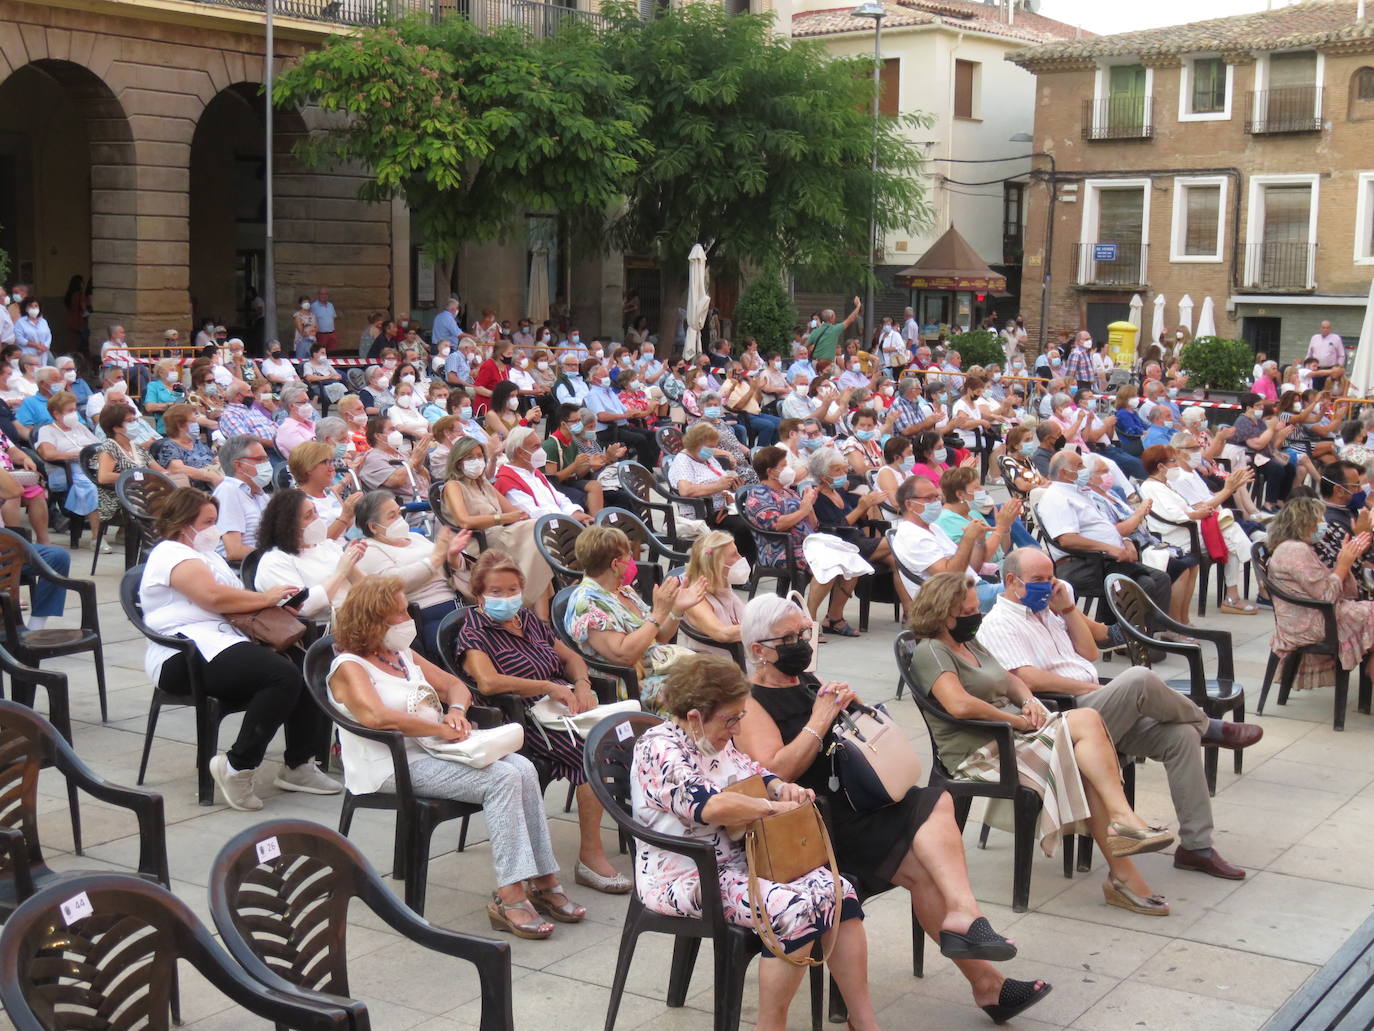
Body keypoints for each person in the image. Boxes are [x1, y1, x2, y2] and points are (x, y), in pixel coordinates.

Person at [734, 595, 1053, 1021]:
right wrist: (819, 719)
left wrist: (852, 704)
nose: (800, 644)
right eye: (788, 638)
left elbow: (851, 733)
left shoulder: (805, 681)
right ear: (759, 649)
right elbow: (777, 774)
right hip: (818, 823)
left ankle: (973, 939)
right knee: (929, 823)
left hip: (859, 805)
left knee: (932, 817)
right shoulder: (752, 702)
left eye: (803, 634)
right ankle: (978, 957)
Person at [629, 653, 887, 1031]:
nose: (735, 730)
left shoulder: (713, 740)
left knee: (839, 890)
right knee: (794, 909)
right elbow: (711, 806)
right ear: (696, 714)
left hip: (737, 863)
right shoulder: (660, 749)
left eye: (738, 718)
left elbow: (754, 770)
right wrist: (770, 808)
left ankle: (863, 1022)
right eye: (730, 719)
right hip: (683, 874)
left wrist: (783, 788)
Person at [980, 548, 1262, 888]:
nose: (1048, 585)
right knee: (1139, 678)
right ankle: (1209, 725)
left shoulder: (1048, 611)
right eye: (1038, 580)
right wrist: (1086, 685)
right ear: (1013, 582)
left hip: (1094, 705)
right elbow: (1030, 679)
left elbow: (1089, 653)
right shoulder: (1000, 622)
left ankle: (1197, 846)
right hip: (1063, 718)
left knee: (1181, 737)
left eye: (1051, 578)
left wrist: (1067, 609)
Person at [328, 576, 579, 935]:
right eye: (398, 613)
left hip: (437, 749)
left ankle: (543, 878)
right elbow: (375, 717)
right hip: (392, 765)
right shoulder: (350, 666)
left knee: (521, 767)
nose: (407, 619)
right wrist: (437, 729)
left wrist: (457, 711)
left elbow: (453, 685)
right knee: (503, 779)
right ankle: (509, 896)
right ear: (372, 619)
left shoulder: (400, 653)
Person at [909, 572, 1176, 907]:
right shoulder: (932, 651)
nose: (974, 616)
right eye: (966, 611)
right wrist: (1015, 720)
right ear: (941, 613)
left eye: (975, 608)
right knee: (1088, 722)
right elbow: (959, 705)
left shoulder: (967, 641)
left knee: (1085, 762)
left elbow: (1008, 679)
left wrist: (1029, 701)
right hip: (983, 751)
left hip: (1012, 735)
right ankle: (1123, 831)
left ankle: (1123, 867)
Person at [140, 487, 340, 810]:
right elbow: (214, 598)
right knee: (281, 675)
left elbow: (234, 600)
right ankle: (237, 766)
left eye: (215, 521)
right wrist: (267, 598)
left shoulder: (209, 556)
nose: (213, 530)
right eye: (207, 522)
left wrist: (277, 606)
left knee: (306, 664)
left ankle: (299, 765)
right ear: (183, 522)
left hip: (225, 642)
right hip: (184, 654)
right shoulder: (171, 554)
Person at [454, 551, 629, 893]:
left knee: (629, 737)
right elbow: (488, 682)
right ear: (479, 595)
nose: (506, 598)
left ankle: (648, 831)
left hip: (564, 708)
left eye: (512, 589)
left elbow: (570, 657)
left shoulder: (528, 620)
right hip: (521, 719)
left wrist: (582, 684)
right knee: (594, 753)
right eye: (497, 591)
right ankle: (590, 857)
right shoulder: (474, 632)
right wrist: (547, 686)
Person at [564, 525, 706, 709]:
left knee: (719, 677)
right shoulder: (587, 603)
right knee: (706, 695)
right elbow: (623, 655)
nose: (632, 560)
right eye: (629, 556)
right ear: (615, 564)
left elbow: (658, 636)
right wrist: (658, 613)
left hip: (657, 668)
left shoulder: (623, 590)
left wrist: (676, 610)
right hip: (630, 683)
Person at [1036, 450, 1173, 619]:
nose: (1084, 469)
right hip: (1084, 564)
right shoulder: (1056, 497)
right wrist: (1109, 548)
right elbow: (1066, 539)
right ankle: (1118, 637)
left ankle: (1150, 636)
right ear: (1064, 472)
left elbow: (1107, 527)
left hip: (1108, 560)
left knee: (1161, 579)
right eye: (1079, 465)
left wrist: (1126, 542)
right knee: (1144, 584)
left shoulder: (1082, 493)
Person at [743, 446, 864, 637]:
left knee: (852, 561)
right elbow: (776, 525)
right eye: (784, 466)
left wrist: (810, 504)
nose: (789, 470)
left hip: (809, 544)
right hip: (781, 549)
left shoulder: (789, 492)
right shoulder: (758, 495)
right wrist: (804, 510)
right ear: (770, 471)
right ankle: (809, 621)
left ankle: (834, 617)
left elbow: (814, 525)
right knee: (828, 564)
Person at [1266, 496, 1374, 692]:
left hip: (1315, 615)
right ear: (1305, 522)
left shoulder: (1298, 547)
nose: (1323, 524)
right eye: (1320, 520)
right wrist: (1343, 565)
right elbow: (1326, 596)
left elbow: (1335, 591)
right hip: (1311, 622)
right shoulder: (1295, 550)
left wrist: (1346, 560)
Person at [1138, 444, 1257, 614]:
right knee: (1232, 534)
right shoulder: (1152, 487)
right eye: (1173, 461)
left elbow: (1192, 507)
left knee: (1231, 533)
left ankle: (1236, 593)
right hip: (1179, 535)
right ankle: (1256, 573)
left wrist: (1201, 510)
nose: (1177, 464)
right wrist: (1200, 512)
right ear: (1160, 466)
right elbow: (1177, 515)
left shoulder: (1166, 484)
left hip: (1190, 528)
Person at [441, 436, 553, 613]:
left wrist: (517, 515)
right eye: (470, 457)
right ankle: (526, 604)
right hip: (478, 540)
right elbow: (464, 521)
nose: (476, 461)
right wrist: (502, 518)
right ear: (458, 460)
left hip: (502, 533)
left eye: (479, 456)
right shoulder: (453, 486)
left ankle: (543, 622)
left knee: (540, 536)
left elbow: (512, 511)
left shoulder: (484, 483)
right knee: (536, 534)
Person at [352, 490, 472, 655]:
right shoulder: (369, 550)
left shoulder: (415, 538)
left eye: (399, 512)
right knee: (469, 643)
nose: (399, 519)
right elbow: (393, 585)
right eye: (392, 516)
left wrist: (452, 555)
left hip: (458, 601)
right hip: (425, 614)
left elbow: (450, 568)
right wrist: (435, 559)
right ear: (373, 527)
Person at [891, 474, 1013, 610]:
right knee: (1028, 589)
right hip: (956, 599)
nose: (936, 502)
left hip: (975, 587)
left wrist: (978, 540)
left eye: (936, 497)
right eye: (929, 498)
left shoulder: (932, 527)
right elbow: (950, 574)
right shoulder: (912, 536)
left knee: (1030, 581)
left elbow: (971, 566)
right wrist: (969, 538)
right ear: (909, 504)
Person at [668, 421, 757, 563]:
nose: (712, 451)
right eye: (710, 447)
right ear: (696, 443)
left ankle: (744, 569)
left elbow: (719, 480)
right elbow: (685, 491)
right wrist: (718, 486)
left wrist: (731, 484)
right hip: (703, 512)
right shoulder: (683, 461)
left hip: (721, 508)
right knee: (745, 527)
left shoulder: (705, 457)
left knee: (756, 517)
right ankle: (738, 570)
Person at [34, 389, 101, 546]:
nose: (75, 413)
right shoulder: (47, 431)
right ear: (57, 414)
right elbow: (48, 454)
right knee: (92, 487)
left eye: (75, 409)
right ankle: (97, 537)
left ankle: (125, 531)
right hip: (71, 472)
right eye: (70, 410)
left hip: (92, 466)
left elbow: (99, 445)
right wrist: (78, 454)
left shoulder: (79, 427)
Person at [808, 446, 892, 567]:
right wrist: (860, 508)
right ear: (823, 476)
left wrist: (867, 505)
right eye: (838, 470)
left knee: (894, 561)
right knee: (897, 540)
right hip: (844, 545)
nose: (843, 474)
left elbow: (859, 520)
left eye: (844, 470)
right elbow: (837, 528)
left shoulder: (839, 491)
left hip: (859, 539)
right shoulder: (817, 498)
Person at [494, 426, 592, 525]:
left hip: (561, 522)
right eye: (536, 447)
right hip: (542, 531)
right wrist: (569, 518)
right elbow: (531, 513)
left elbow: (560, 498)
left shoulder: (535, 472)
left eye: (541, 446)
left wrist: (575, 512)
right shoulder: (506, 480)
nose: (542, 451)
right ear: (520, 452)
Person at [679, 530, 749, 657]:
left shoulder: (723, 587)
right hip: (718, 667)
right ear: (716, 564)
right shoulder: (697, 599)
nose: (741, 558)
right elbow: (721, 633)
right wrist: (764, 628)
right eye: (734, 555)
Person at [586, 362, 658, 469]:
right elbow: (601, 416)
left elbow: (625, 410)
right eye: (604, 376)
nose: (607, 378)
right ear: (595, 379)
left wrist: (633, 412)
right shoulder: (593, 394)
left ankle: (650, 467)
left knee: (653, 435)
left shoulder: (609, 391)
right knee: (640, 439)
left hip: (622, 425)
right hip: (608, 429)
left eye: (607, 376)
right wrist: (624, 416)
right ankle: (643, 469)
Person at [212, 435, 272, 562]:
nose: (266, 464)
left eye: (266, 458)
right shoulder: (228, 491)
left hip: (268, 564)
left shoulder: (260, 494)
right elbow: (234, 551)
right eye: (260, 459)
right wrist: (275, 557)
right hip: (247, 570)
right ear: (239, 465)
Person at [358, 415, 429, 516]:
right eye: (392, 430)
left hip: (427, 503)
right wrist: (413, 460)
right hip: (408, 511)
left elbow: (427, 480)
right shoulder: (374, 458)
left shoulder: (402, 454)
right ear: (377, 436)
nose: (397, 433)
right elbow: (395, 481)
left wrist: (419, 465)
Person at [289, 439, 359, 535]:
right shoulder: (297, 501)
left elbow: (350, 529)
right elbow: (315, 542)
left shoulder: (331, 493)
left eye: (330, 462)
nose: (332, 468)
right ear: (308, 468)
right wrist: (345, 517)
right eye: (325, 463)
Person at [149, 403, 222, 490]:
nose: (197, 425)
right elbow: (177, 469)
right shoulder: (169, 446)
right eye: (193, 422)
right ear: (180, 425)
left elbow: (214, 458)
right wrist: (210, 476)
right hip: (193, 492)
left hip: (215, 485)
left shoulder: (197, 443)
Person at [806, 297, 862, 364]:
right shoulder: (835, 329)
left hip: (815, 363)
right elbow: (851, 319)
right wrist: (858, 306)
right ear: (832, 317)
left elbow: (807, 346)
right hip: (828, 364)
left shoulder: (815, 331)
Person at [1307, 320, 1346, 391]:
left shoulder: (1336, 338)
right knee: (1315, 390)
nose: (1325, 329)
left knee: (1329, 390)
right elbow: (1309, 354)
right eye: (1323, 327)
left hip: (1330, 369)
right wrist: (1307, 367)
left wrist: (1338, 369)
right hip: (1316, 369)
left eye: (1327, 328)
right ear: (1320, 328)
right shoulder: (1314, 338)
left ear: (1330, 329)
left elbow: (1341, 355)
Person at [13, 298, 52, 363]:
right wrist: (37, 345)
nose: (33, 308)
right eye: (30, 306)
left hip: (42, 355)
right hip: (27, 355)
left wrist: (44, 347)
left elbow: (48, 336)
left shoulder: (43, 321)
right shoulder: (20, 322)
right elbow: (20, 339)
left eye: (36, 306)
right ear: (25, 308)